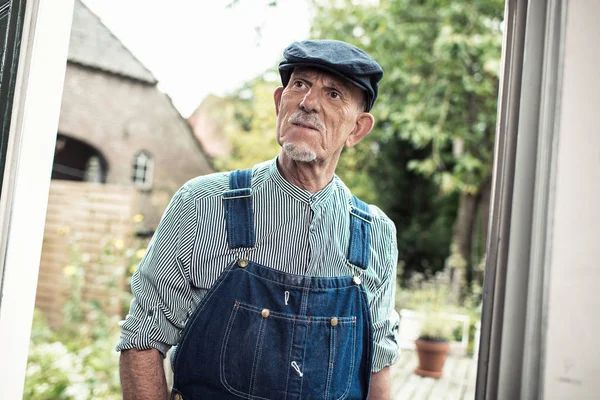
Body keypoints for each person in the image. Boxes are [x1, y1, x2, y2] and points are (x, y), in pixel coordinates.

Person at [117, 39, 400, 400]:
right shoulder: (202, 204)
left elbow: (378, 367)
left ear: (358, 129)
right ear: (280, 101)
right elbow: (142, 339)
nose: (308, 102)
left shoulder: (375, 233)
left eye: (333, 94)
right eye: (300, 85)